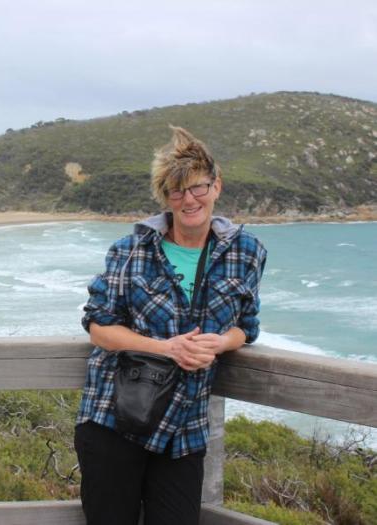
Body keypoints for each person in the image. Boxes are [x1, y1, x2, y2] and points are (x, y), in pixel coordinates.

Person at [74, 126, 267, 525]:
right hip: (115, 419)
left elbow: (247, 326)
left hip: (185, 429)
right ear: (166, 198)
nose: (188, 199)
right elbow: (98, 326)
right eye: (176, 191)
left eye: (197, 187)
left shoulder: (247, 253)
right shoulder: (132, 251)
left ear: (217, 186)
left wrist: (219, 343)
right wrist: (167, 348)